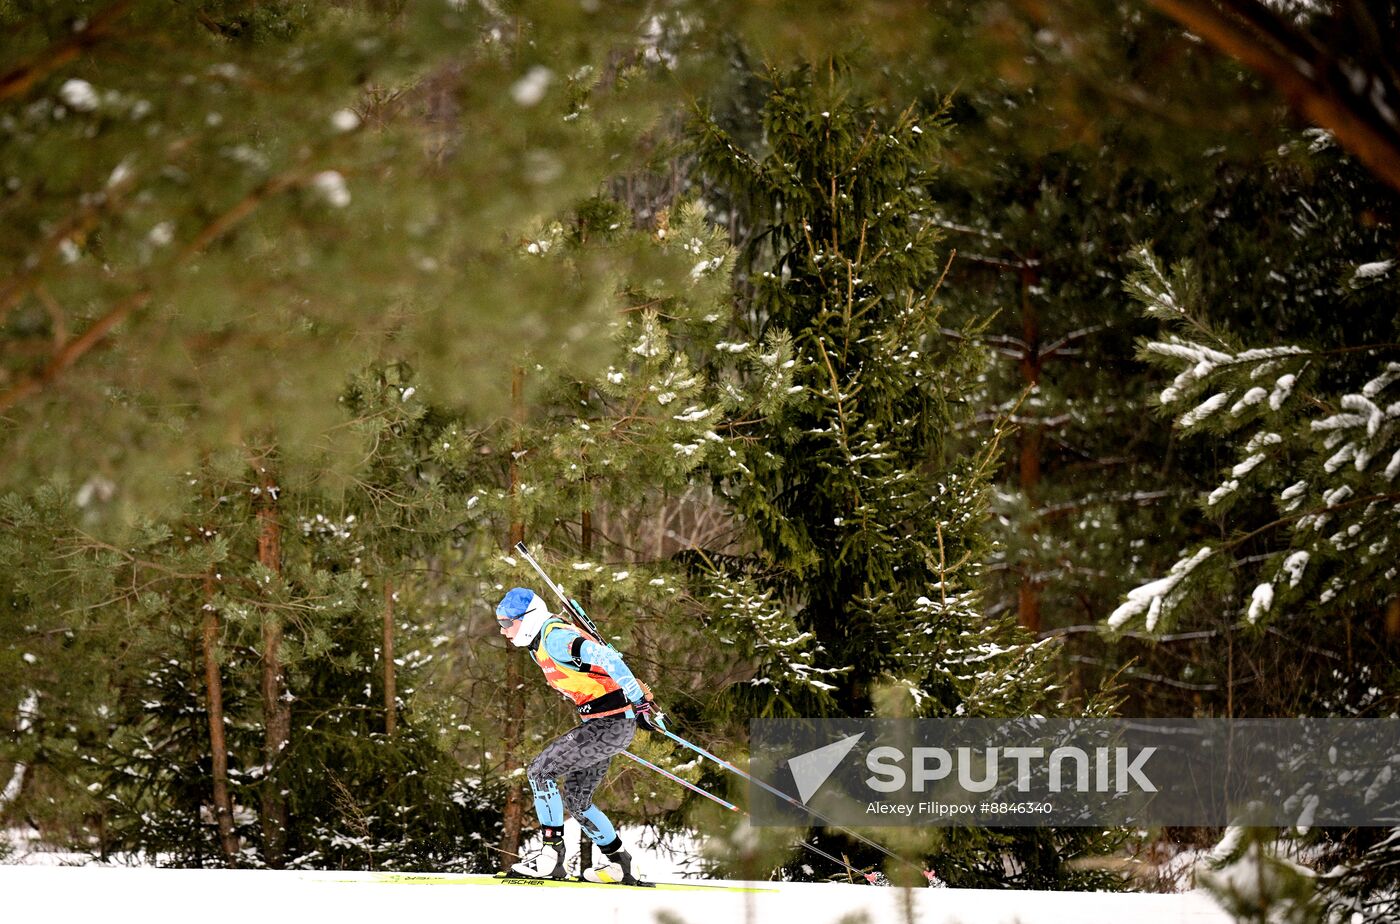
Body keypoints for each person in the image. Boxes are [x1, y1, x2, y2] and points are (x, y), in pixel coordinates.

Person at [495, 586, 667, 884]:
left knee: (540, 771)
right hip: (604, 725)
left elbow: (609, 659)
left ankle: (550, 858)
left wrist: (639, 701)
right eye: (501, 624)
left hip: (609, 725)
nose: (503, 631)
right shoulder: (540, 643)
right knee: (577, 800)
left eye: (507, 623)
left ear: (528, 618)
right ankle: (620, 865)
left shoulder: (556, 638)